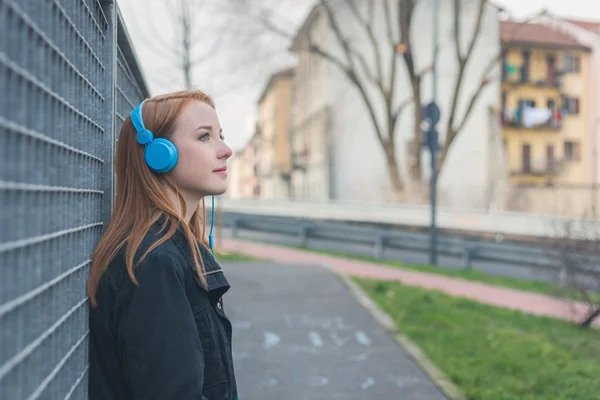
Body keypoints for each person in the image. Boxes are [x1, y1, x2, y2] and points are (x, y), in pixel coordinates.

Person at [87, 89, 238, 400]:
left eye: (220, 135)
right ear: (160, 153)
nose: (226, 150)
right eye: (204, 137)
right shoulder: (154, 263)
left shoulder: (171, 252)